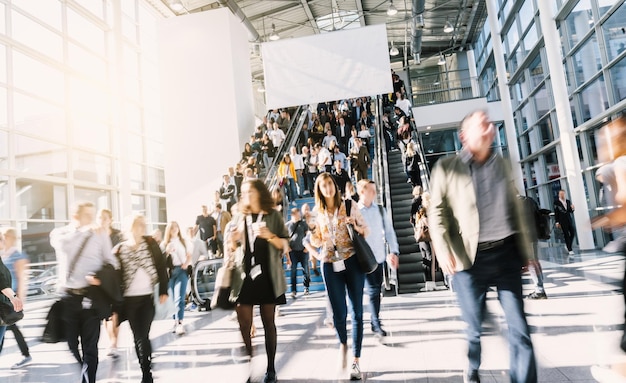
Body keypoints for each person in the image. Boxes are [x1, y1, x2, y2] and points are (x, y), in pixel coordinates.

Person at [428, 110, 537, 383]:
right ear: (464, 136)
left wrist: (528, 252)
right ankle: (472, 366)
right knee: (474, 328)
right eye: (482, 125)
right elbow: (437, 213)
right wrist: (443, 252)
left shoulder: (503, 164)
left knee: (520, 329)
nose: (489, 128)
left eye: (489, 124)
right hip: (469, 261)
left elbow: (517, 209)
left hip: (507, 255)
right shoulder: (446, 167)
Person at [225, 179, 289, 383]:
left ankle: (271, 369)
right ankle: (249, 365)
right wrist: (233, 242)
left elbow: (285, 245)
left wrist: (270, 235)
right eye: (243, 193)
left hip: (267, 275)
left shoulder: (273, 215)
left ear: (259, 193)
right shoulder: (238, 216)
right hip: (243, 277)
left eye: (249, 191)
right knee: (244, 324)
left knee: (268, 322)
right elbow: (231, 249)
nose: (246, 196)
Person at [309, 173, 369, 380]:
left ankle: (356, 360)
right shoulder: (318, 212)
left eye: (329, 184)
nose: (327, 188)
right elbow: (317, 241)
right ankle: (343, 343)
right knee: (338, 314)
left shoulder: (349, 204)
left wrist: (355, 224)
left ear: (334, 185)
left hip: (352, 260)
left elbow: (366, 231)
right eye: (323, 185)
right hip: (329, 263)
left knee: (357, 312)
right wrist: (311, 231)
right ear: (319, 190)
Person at [49, 201, 118, 383]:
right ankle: (85, 373)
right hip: (68, 297)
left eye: (93, 215)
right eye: (88, 215)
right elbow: (61, 244)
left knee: (90, 347)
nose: (92, 219)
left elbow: (112, 261)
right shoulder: (60, 234)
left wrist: (100, 276)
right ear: (75, 216)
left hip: (91, 296)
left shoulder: (100, 234)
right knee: (72, 344)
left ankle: (89, 380)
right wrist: (82, 231)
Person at [113, 215, 169, 383]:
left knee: (143, 335)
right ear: (131, 227)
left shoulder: (151, 244)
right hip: (129, 301)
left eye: (144, 225)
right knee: (138, 336)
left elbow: (161, 266)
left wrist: (163, 290)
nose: (142, 228)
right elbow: (116, 277)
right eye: (139, 225)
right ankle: (146, 369)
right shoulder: (120, 249)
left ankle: (146, 373)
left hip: (147, 298)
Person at [356, 180, 399, 340]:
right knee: (366, 293)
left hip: (378, 258)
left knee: (375, 292)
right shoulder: (354, 211)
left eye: (375, 190)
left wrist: (393, 251)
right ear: (362, 192)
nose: (375, 193)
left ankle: (375, 323)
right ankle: (372, 322)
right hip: (360, 260)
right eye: (371, 190)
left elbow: (389, 232)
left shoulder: (380, 210)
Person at [0, 227, 31, 369]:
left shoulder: (18, 256)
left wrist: (19, 299)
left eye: (4, 237)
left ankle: (26, 355)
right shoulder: (4, 255)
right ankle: (26, 355)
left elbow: (22, 279)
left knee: (10, 327)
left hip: (10, 302)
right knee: (9, 328)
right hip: (6, 300)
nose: (3, 240)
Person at [97, 208, 123, 359]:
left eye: (104, 217)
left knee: (115, 313)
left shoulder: (118, 235)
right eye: (99, 217)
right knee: (106, 314)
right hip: (100, 279)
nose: (101, 220)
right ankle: (111, 342)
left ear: (110, 219)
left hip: (115, 277)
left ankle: (114, 343)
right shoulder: (94, 235)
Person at [161, 221, 191, 335]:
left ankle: (180, 323)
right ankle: (175, 321)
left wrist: (186, 263)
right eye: (172, 228)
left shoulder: (183, 242)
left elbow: (189, 255)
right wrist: (167, 251)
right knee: (172, 299)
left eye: (176, 227)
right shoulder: (164, 244)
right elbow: (161, 260)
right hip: (170, 272)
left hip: (181, 270)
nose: (174, 229)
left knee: (179, 297)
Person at [517, 196, 548, 300]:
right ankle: (540, 288)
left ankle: (539, 290)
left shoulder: (517, 203)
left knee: (531, 262)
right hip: (533, 235)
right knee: (535, 261)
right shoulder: (530, 200)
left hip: (525, 237)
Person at [286, 207, 310, 299]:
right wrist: (287, 248)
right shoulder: (288, 225)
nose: (298, 215)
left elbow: (308, 235)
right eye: (296, 213)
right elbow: (285, 237)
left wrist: (307, 247)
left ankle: (306, 287)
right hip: (293, 251)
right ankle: (293, 290)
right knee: (293, 271)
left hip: (303, 250)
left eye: (298, 213)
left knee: (306, 270)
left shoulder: (303, 224)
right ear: (292, 215)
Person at [554, 189, 576, 256]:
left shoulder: (568, 201)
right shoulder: (556, 202)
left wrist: (572, 208)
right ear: (559, 194)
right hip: (562, 220)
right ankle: (570, 249)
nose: (562, 195)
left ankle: (568, 245)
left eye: (563, 194)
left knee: (572, 232)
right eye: (560, 194)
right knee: (566, 234)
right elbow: (556, 212)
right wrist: (557, 222)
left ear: (565, 194)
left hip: (569, 219)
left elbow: (570, 211)